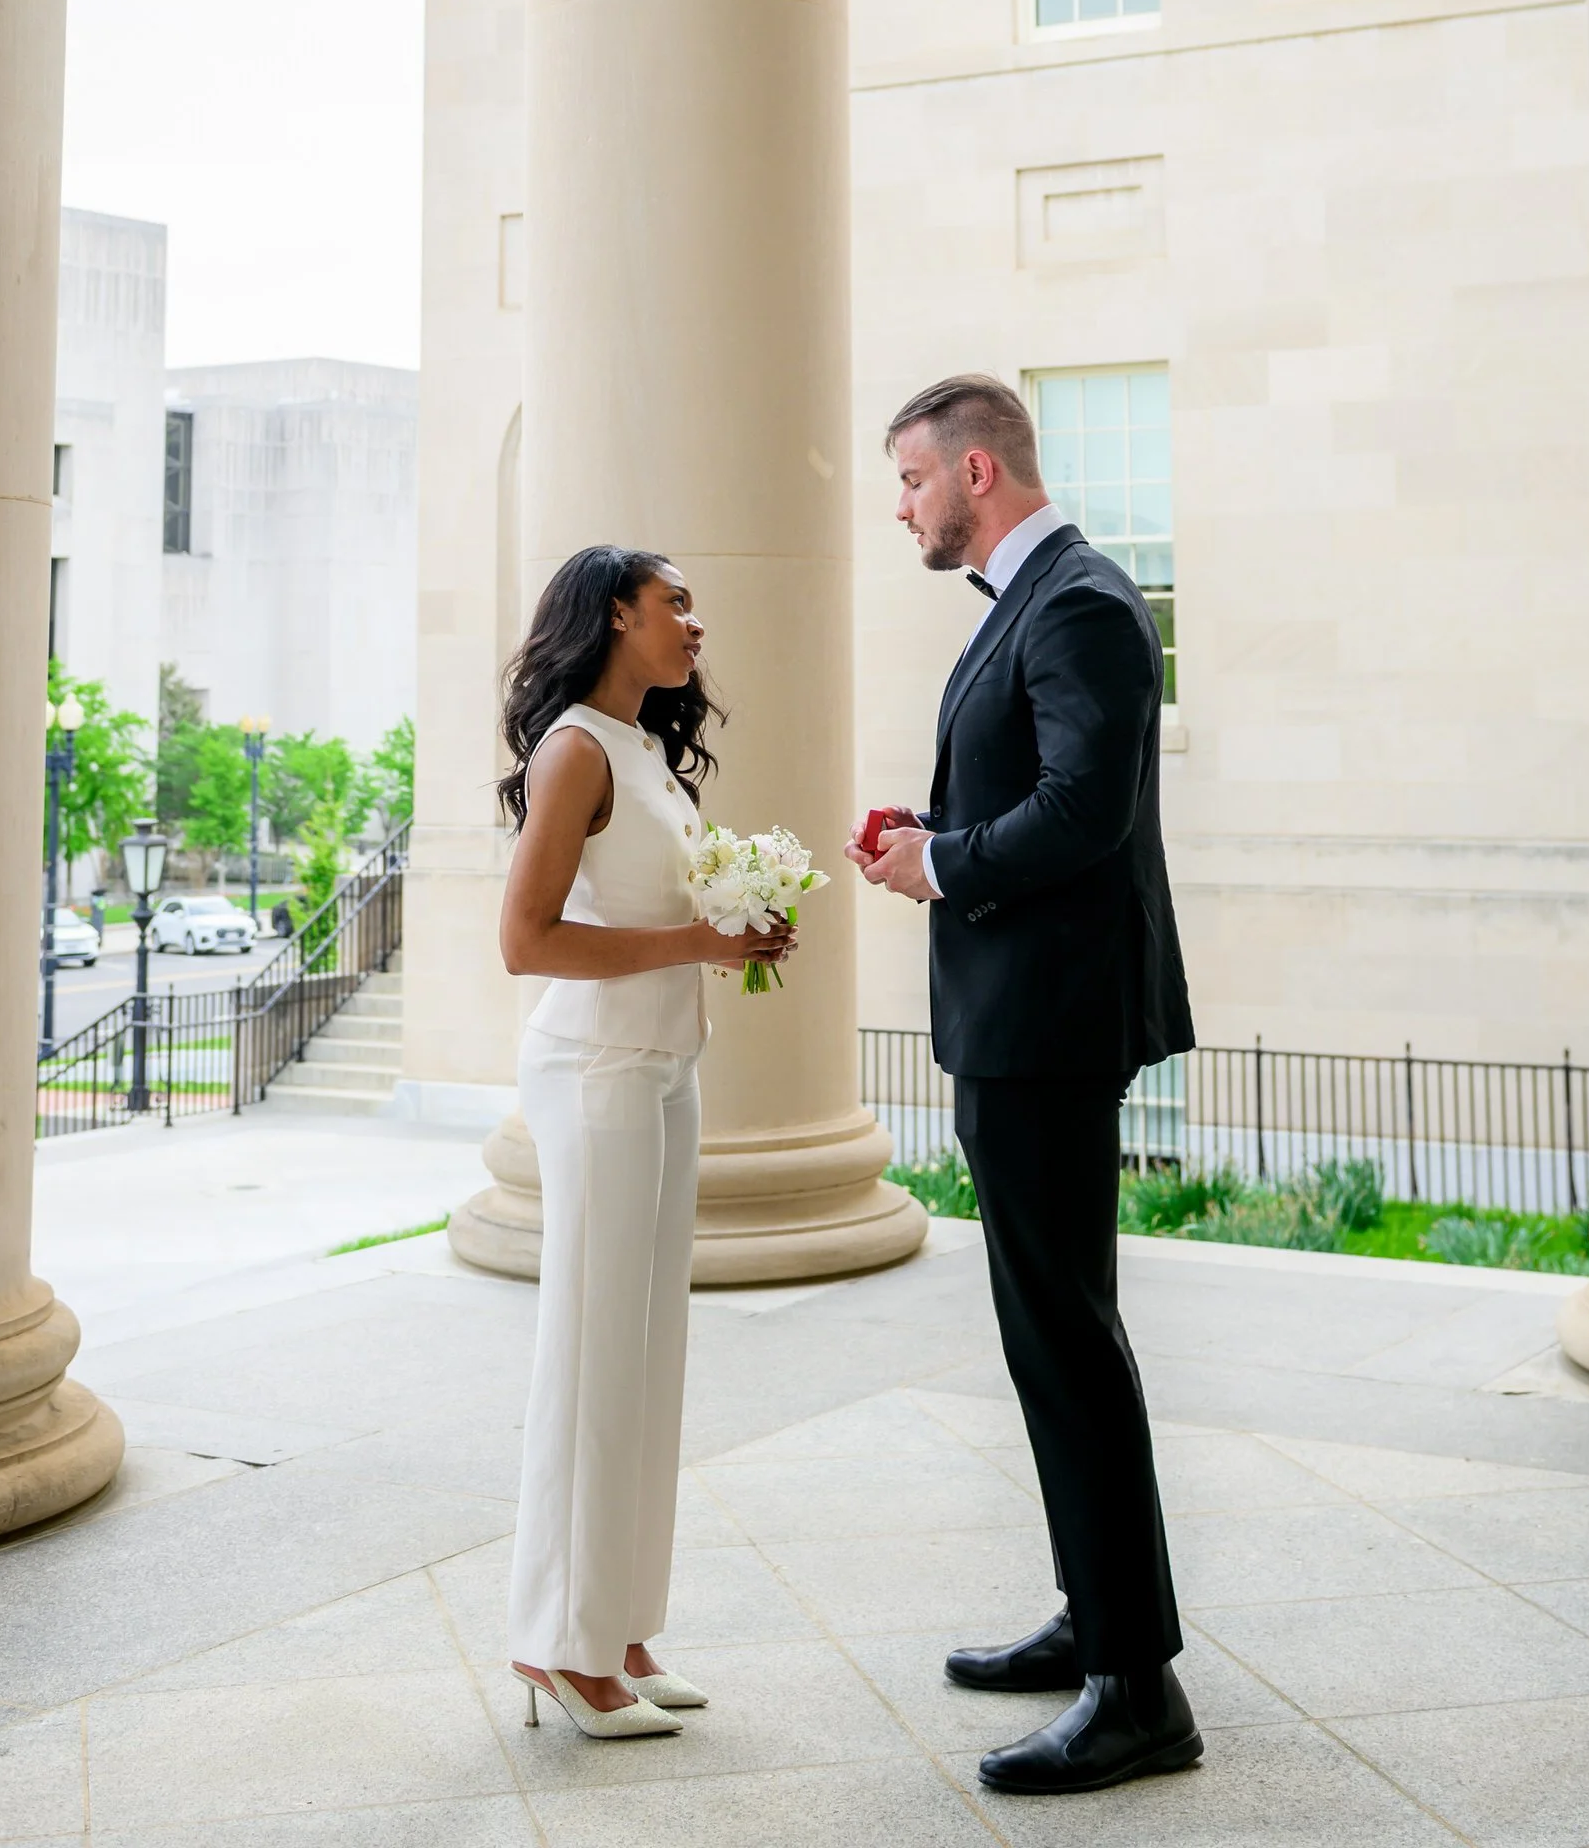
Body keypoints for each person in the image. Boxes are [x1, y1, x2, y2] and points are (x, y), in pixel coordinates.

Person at [848, 373, 1200, 1799]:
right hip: (1022, 1020)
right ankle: (1095, 1616)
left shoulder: (1080, 604)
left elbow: (1083, 812)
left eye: (913, 482)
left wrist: (942, 864)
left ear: (978, 471)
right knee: (1054, 1338)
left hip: (1049, 1029)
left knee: (1067, 1343)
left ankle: (1139, 1690)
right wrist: (934, 831)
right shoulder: (1035, 603)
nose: (902, 507)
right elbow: (1035, 798)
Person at [497, 543, 794, 1741]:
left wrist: (737, 925)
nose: (695, 623)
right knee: (591, 1353)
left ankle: (617, 1626)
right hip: (595, 1074)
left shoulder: (647, 754)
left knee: (651, 1353)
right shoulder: (574, 748)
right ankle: (556, 1647)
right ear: (617, 613)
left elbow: (668, 913)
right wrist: (702, 947)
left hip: (666, 1067)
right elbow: (526, 940)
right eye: (677, 602)